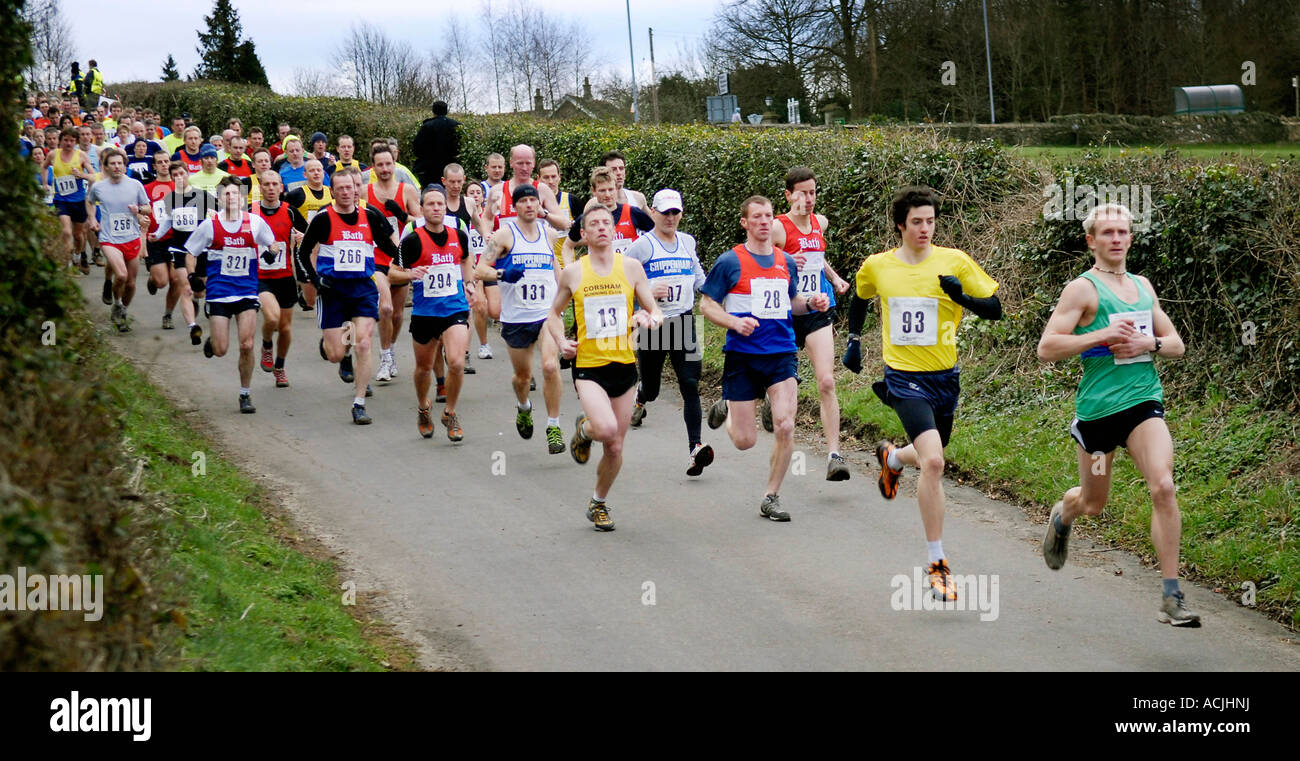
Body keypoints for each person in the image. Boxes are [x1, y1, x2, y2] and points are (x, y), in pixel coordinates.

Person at [1037, 203, 1199, 626]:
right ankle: (1063, 514)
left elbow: (1177, 344)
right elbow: (1047, 347)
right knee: (1093, 504)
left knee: (1163, 486)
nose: (1116, 239)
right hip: (1098, 418)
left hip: (1143, 404)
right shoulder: (1082, 290)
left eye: (1122, 232)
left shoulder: (1143, 287)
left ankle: (1171, 596)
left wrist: (1151, 346)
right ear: (1091, 241)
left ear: (1131, 237)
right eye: (1106, 233)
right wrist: (1103, 334)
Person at [841, 185, 1002, 602]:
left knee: (928, 454)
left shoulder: (955, 261)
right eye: (917, 222)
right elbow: (860, 299)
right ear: (901, 225)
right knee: (934, 461)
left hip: (944, 377)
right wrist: (854, 339)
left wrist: (960, 296)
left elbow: (995, 309)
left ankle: (893, 458)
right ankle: (938, 563)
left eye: (931, 221)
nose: (925, 228)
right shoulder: (878, 265)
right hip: (903, 375)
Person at [700, 196, 829, 522]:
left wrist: (812, 303)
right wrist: (733, 322)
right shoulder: (730, 262)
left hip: (781, 353)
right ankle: (728, 405)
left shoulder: (785, 261)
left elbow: (793, 302)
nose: (762, 222)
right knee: (745, 441)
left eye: (767, 216)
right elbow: (707, 305)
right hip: (742, 357)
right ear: (744, 222)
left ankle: (771, 495)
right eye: (756, 216)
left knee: (785, 424)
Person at [548, 205, 664, 531]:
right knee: (608, 430)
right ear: (583, 235)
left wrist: (647, 317)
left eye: (606, 223)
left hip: (625, 366)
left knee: (614, 446)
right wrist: (561, 342)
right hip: (589, 367)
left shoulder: (631, 267)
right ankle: (585, 429)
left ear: (614, 231)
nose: (601, 227)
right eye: (593, 224)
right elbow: (553, 315)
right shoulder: (573, 272)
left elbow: (657, 312)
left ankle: (598, 502)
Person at [297, 167, 400, 424]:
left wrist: (410, 260)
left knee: (363, 343)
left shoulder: (370, 216)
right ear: (333, 192)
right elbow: (303, 252)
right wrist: (315, 279)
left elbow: (390, 248)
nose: (346, 192)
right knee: (336, 352)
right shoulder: (323, 219)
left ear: (357, 190)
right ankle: (335, 350)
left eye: (350, 187)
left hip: (363, 289)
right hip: (332, 291)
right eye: (340, 188)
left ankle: (359, 403)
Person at [771, 167, 853, 480]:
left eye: (813, 192)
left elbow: (817, 256)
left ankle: (834, 454)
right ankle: (771, 402)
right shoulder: (778, 228)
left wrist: (834, 278)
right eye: (802, 193)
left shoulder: (821, 223)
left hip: (819, 309)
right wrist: (788, 264)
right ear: (788, 195)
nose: (809, 199)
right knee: (779, 380)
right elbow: (762, 262)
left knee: (827, 381)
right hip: (787, 313)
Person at [624, 189, 713, 477]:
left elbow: (699, 277)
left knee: (690, 384)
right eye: (665, 213)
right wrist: (646, 291)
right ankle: (640, 398)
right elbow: (621, 280)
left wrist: (723, 291)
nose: (671, 218)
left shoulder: (688, 242)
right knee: (652, 388)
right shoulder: (642, 246)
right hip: (654, 325)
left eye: (675, 212)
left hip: (684, 322)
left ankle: (695, 448)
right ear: (653, 212)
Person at [475, 184, 567, 453]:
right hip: (516, 316)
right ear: (515, 206)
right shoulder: (504, 235)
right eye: (524, 201)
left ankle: (553, 426)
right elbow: (480, 269)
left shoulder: (549, 235)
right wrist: (502, 275)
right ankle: (524, 407)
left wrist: (568, 294)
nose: (529, 205)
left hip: (546, 314)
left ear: (540, 205)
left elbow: (555, 267)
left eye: (533, 201)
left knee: (550, 366)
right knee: (522, 378)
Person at [388, 184, 475, 441]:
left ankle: (450, 412)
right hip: (425, 312)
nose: (436, 208)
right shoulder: (412, 241)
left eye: (440, 204)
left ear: (445, 207)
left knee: (457, 362)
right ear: (422, 209)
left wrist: (470, 284)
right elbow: (392, 272)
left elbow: (466, 259)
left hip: (454, 307)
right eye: (430, 204)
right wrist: (408, 273)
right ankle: (424, 407)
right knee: (423, 369)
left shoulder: (458, 235)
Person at [186, 177, 276, 413]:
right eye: (226, 194)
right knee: (221, 349)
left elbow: (273, 244)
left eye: (235, 193)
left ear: (242, 197)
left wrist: (270, 254)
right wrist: (192, 275)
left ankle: (245, 394)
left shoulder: (254, 223)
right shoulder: (210, 225)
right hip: (219, 292)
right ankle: (213, 342)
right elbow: (190, 252)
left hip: (246, 290)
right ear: (220, 198)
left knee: (247, 344)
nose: (231, 197)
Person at [365, 145, 420, 383]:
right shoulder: (365, 192)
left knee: (397, 314)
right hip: (375, 258)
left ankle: (391, 350)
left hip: (400, 259)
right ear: (373, 167)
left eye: (389, 164)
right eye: (380, 165)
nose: (385, 169)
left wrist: (402, 215)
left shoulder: (406, 190)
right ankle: (385, 357)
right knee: (385, 308)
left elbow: (421, 222)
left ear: (394, 164)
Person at [151, 161, 217, 346]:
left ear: (188, 174)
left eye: (182, 173)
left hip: (202, 250)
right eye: (175, 175)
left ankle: (197, 301)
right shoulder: (170, 198)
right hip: (180, 249)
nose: (179, 178)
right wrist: (156, 235)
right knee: (186, 288)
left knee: (200, 290)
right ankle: (193, 326)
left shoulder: (203, 196)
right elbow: (167, 221)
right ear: (171, 178)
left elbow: (217, 216)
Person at [86, 147, 152, 332]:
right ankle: (116, 302)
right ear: (105, 167)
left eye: (120, 163)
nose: (116, 167)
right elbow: (89, 201)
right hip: (109, 239)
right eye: (112, 163)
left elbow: (147, 208)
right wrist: (92, 218)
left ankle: (122, 309)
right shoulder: (99, 186)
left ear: (125, 166)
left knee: (131, 284)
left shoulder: (135, 185)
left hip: (132, 238)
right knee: (121, 275)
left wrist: (138, 210)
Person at [253, 170, 307, 388]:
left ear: (281, 188)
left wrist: (303, 237)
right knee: (272, 318)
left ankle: (280, 366)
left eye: (275, 184)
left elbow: (312, 233)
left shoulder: (290, 212)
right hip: (260, 277)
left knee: (285, 328)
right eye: (267, 184)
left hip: (285, 276)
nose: (271, 188)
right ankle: (267, 344)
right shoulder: (252, 212)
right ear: (261, 186)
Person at [562, 167, 653, 262]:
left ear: (616, 189)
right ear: (594, 191)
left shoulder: (632, 212)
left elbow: (657, 236)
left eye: (611, 189)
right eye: (602, 190)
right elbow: (567, 246)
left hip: (628, 274)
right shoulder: (586, 218)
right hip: (599, 274)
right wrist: (569, 269)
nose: (607, 195)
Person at [45, 127, 95, 270]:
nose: (68, 143)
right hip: (61, 200)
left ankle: (77, 254)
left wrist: (82, 175)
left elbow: (93, 176)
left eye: (72, 141)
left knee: (78, 235)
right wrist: (44, 183)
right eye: (65, 140)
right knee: (66, 231)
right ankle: (66, 264)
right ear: (60, 141)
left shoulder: (81, 156)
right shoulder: (53, 154)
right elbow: (43, 166)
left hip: (78, 200)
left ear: (76, 142)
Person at [413, 100, 460, 187]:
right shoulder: (456, 126)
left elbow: (417, 147)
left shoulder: (427, 126)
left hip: (429, 168)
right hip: (450, 166)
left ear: (433, 111)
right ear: (446, 111)